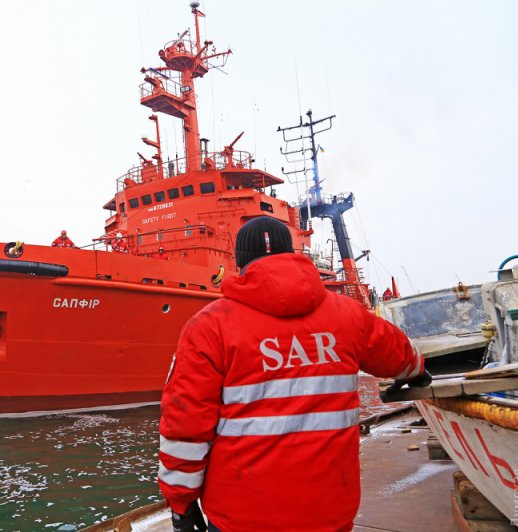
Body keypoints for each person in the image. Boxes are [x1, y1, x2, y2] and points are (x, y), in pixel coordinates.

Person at [158, 216, 430, 532]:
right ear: (292, 254)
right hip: (329, 512)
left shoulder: (209, 327)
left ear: (241, 261)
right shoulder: (346, 314)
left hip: (242, 516)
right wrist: (418, 371)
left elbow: (184, 423)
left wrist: (181, 503)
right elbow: (396, 352)